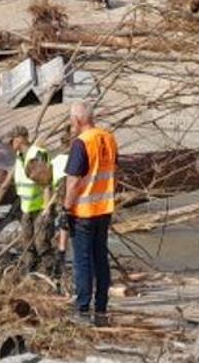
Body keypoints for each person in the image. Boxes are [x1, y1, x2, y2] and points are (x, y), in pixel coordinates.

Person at [60, 99, 118, 326]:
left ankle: (82, 310)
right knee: (100, 259)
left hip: (83, 212)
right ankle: (101, 310)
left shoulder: (81, 143)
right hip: (104, 209)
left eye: (71, 120)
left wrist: (66, 209)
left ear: (77, 120)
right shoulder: (109, 138)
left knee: (82, 262)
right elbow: (114, 173)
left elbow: (73, 183)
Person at [7, 126, 59, 275]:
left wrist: (47, 210)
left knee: (42, 244)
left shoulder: (37, 154)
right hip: (27, 209)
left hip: (41, 208)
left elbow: (47, 184)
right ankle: (30, 276)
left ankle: (52, 276)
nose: (10, 144)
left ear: (20, 138)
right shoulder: (20, 157)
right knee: (27, 245)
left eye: (12, 141)